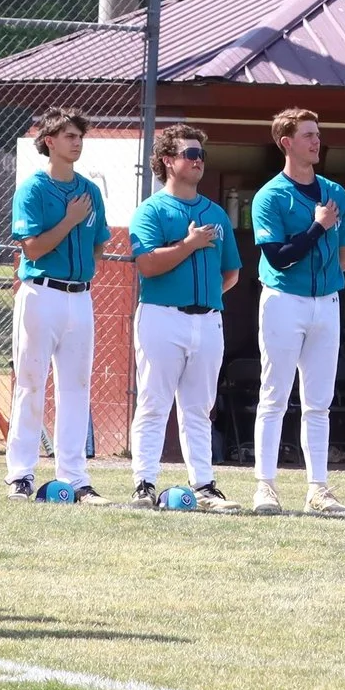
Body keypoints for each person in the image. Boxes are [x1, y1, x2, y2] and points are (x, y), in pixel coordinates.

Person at [250, 108, 345, 517]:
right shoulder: (270, 196)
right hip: (283, 300)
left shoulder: (336, 193)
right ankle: (266, 485)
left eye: (318, 133)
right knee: (274, 394)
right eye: (308, 135)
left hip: (326, 302)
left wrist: (324, 240)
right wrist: (316, 228)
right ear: (287, 143)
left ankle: (318, 489)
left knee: (319, 401)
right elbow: (278, 258)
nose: (316, 141)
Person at [127, 123, 241, 510]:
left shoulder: (215, 213)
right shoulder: (152, 209)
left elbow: (231, 273)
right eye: (189, 154)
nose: (198, 161)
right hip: (162, 316)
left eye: (200, 155)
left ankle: (205, 485)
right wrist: (189, 244)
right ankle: (144, 482)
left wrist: (205, 300)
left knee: (199, 407)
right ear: (166, 161)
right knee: (154, 402)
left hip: (207, 319)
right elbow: (147, 264)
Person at [5, 106, 110, 503]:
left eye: (80, 136)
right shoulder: (33, 188)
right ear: (49, 142)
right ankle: (21, 475)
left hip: (79, 296)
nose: (77, 142)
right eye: (69, 136)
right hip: (41, 293)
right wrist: (67, 221)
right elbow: (31, 246)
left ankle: (76, 478)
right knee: (31, 384)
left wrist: (81, 265)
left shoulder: (90, 190)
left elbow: (99, 243)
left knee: (76, 388)